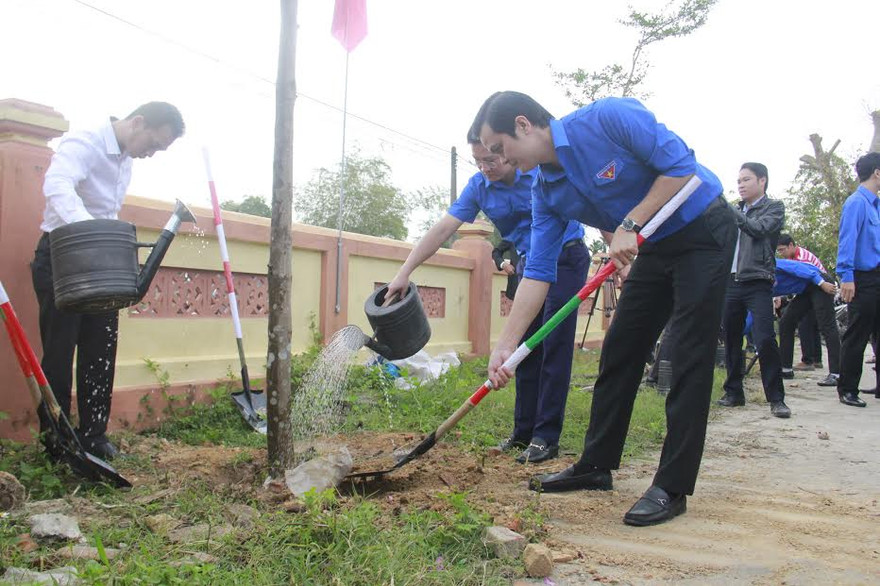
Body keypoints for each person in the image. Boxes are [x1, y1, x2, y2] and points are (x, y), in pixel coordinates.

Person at [476, 91, 736, 527]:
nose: (501, 161)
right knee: (620, 351)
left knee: (688, 353)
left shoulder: (608, 118)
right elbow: (538, 270)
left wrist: (629, 224)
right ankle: (595, 466)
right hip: (653, 244)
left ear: (524, 125)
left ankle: (672, 486)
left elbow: (682, 167)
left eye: (500, 149)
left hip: (701, 229)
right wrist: (506, 345)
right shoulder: (546, 189)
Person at [386, 130, 589, 464]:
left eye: (491, 159)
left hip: (566, 257)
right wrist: (404, 271)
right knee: (522, 348)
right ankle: (523, 432)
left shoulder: (537, 172)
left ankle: (545, 437)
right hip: (529, 265)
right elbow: (442, 229)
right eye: (478, 160)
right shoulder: (479, 187)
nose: (485, 167)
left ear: (507, 151)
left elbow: (585, 201)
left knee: (554, 344)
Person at [31, 102, 185, 460]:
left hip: (98, 264)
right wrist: (91, 234)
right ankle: (56, 440)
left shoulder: (126, 160)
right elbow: (57, 186)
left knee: (101, 348)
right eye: (153, 144)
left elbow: (108, 210)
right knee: (58, 351)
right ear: (138, 122)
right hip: (63, 259)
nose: (151, 154)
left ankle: (94, 436)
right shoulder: (85, 143)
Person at [717, 163, 790, 418]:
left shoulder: (773, 208)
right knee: (732, 338)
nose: (740, 184)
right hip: (730, 282)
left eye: (746, 179)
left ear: (762, 181)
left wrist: (730, 211)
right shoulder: (734, 210)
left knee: (765, 337)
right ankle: (734, 392)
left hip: (757, 280)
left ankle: (776, 398)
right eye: (738, 180)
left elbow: (758, 229)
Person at [835, 152, 880, 407]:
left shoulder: (876, 204)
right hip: (862, 278)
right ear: (877, 172)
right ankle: (848, 388)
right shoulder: (856, 203)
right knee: (858, 333)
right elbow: (848, 240)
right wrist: (847, 276)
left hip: (878, 275)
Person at [773, 258, 840, 387]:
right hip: (805, 290)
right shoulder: (753, 284)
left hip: (819, 282)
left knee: (827, 325)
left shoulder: (771, 263)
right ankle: (785, 369)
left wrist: (821, 283)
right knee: (786, 322)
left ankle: (836, 374)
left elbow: (800, 269)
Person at [777, 234, 827, 371]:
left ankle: (808, 361)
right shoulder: (793, 257)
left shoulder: (802, 258)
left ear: (791, 245)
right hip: (811, 289)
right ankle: (817, 359)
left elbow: (807, 275)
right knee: (812, 325)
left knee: (804, 322)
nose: (781, 254)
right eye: (779, 251)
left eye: (782, 250)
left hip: (817, 287)